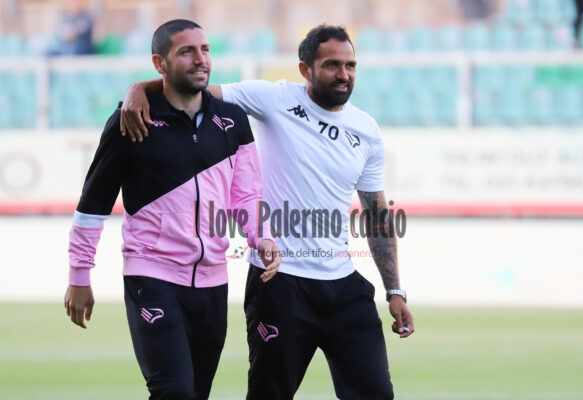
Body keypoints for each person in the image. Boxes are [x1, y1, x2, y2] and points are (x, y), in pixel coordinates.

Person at [121, 24, 414, 399]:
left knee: (377, 393)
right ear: (305, 69)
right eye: (332, 65)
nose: (344, 74)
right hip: (279, 284)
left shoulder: (366, 130)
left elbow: (377, 215)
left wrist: (394, 290)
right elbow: (190, 89)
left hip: (344, 287)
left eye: (350, 65)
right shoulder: (273, 98)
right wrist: (139, 88)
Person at [64, 19, 281, 400]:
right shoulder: (132, 119)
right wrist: (79, 275)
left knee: (196, 392)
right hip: (152, 274)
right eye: (187, 51)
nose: (201, 59)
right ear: (159, 63)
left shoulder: (233, 121)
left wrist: (260, 236)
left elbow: (246, 195)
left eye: (205, 50)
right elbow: (94, 203)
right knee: (174, 391)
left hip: (213, 281)